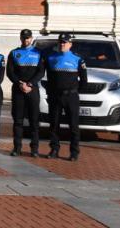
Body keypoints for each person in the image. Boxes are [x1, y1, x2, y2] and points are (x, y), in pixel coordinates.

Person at [45, 33, 87, 161]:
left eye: (65, 42)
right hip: (55, 96)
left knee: (73, 126)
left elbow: (84, 80)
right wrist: (50, 92)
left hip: (71, 96)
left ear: (70, 44)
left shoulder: (78, 59)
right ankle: (54, 149)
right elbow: (49, 78)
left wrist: (74, 92)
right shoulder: (51, 58)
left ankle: (74, 152)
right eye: (60, 42)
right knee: (54, 125)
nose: (62, 44)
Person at [7, 28, 44, 157]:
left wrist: (30, 84)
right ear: (20, 38)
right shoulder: (14, 53)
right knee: (18, 121)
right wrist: (20, 83)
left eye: (28, 37)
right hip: (18, 90)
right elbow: (10, 72)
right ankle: (17, 148)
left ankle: (34, 149)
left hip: (32, 90)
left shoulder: (38, 53)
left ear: (31, 38)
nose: (26, 40)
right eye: (23, 37)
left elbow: (41, 71)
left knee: (34, 120)